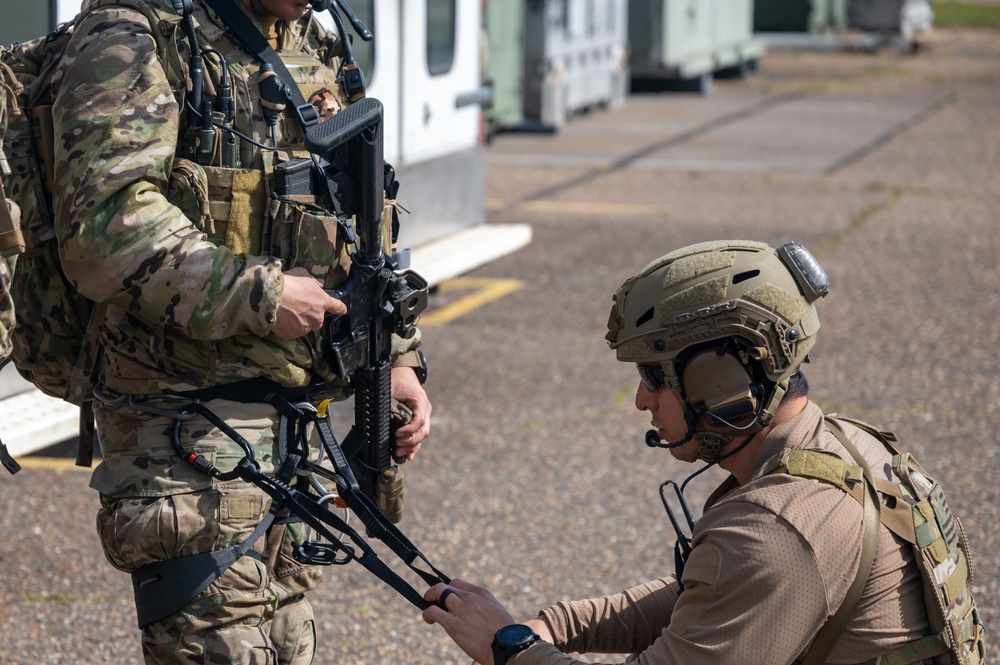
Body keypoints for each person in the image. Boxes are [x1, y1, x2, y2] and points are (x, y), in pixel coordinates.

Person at [48, 0, 431, 663]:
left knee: (290, 644)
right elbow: (104, 227)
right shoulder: (137, 34)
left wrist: (397, 355)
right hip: (184, 430)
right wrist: (260, 293)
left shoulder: (312, 37)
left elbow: (360, 212)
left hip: (294, 433)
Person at [422, 240, 983, 665]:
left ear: (722, 379)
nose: (641, 400)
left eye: (653, 376)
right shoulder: (840, 445)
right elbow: (713, 595)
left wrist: (509, 646)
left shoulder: (779, 532)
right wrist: (556, 626)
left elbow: (748, 573)